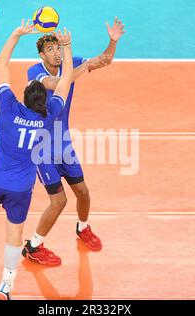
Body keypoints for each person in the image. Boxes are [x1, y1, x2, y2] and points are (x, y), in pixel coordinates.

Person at [0, 19, 78, 300]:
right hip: (21, 187)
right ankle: (6, 283)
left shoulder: (9, 108)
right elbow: (66, 80)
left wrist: (16, 35)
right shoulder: (50, 117)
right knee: (14, 233)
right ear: (44, 103)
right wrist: (68, 47)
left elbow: (0, 67)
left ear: (22, 97)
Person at [22, 17, 126, 266]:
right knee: (59, 201)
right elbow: (59, 83)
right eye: (51, 49)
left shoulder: (69, 63)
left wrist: (111, 42)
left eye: (59, 48)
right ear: (41, 54)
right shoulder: (34, 72)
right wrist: (81, 66)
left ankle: (83, 228)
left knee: (83, 193)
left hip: (64, 146)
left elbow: (105, 59)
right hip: (42, 150)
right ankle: (33, 246)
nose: (56, 53)